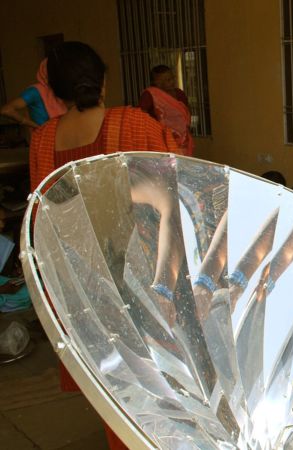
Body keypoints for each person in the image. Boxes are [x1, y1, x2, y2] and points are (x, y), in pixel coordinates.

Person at [29, 41, 180, 450]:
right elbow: (172, 179)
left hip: (80, 282)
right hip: (135, 276)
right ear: (104, 82)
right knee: (149, 384)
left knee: (109, 378)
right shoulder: (133, 122)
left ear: (55, 95)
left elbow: (43, 215)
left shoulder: (42, 139)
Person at [138, 65, 194, 156]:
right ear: (156, 82)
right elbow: (141, 116)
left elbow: (186, 113)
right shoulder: (150, 95)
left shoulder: (180, 94)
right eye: (167, 80)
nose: (171, 82)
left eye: (171, 78)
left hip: (183, 141)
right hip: (160, 140)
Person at [0, 59, 67, 128]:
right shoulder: (35, 91)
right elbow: (6, 110)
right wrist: (35, 126)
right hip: (43, 136)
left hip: (60, 135)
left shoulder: (58, 92)